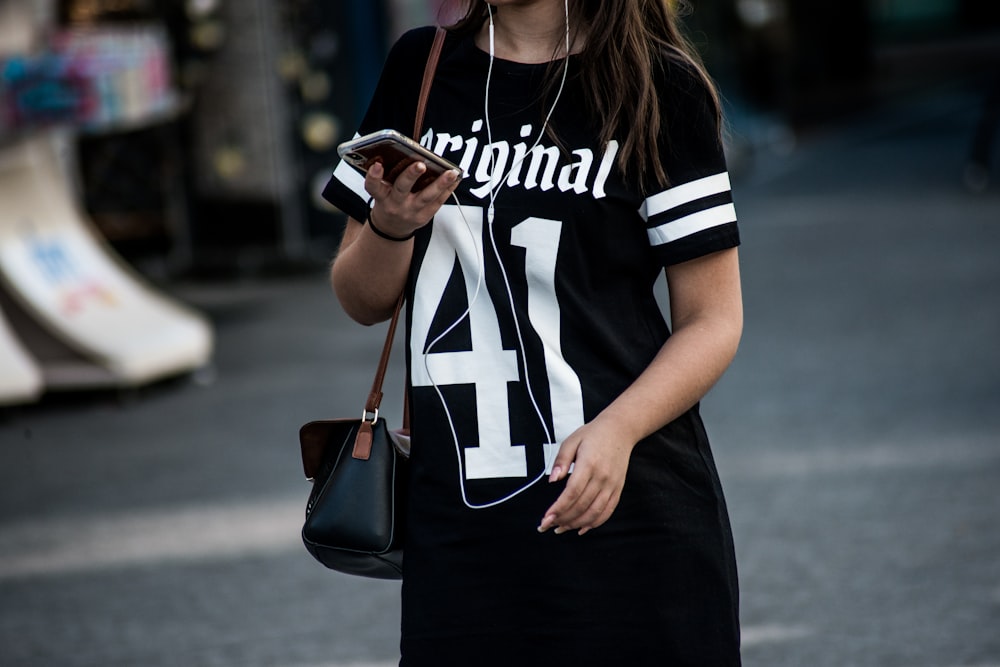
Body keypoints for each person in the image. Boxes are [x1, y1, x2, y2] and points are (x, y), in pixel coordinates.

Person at [323, 0, 744, 664]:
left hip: (629, 507)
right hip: (460, 532)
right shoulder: (420, 69)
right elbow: (360, 298)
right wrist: (392, 225)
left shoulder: (659, 86)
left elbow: (713, 319)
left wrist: (619, 429)